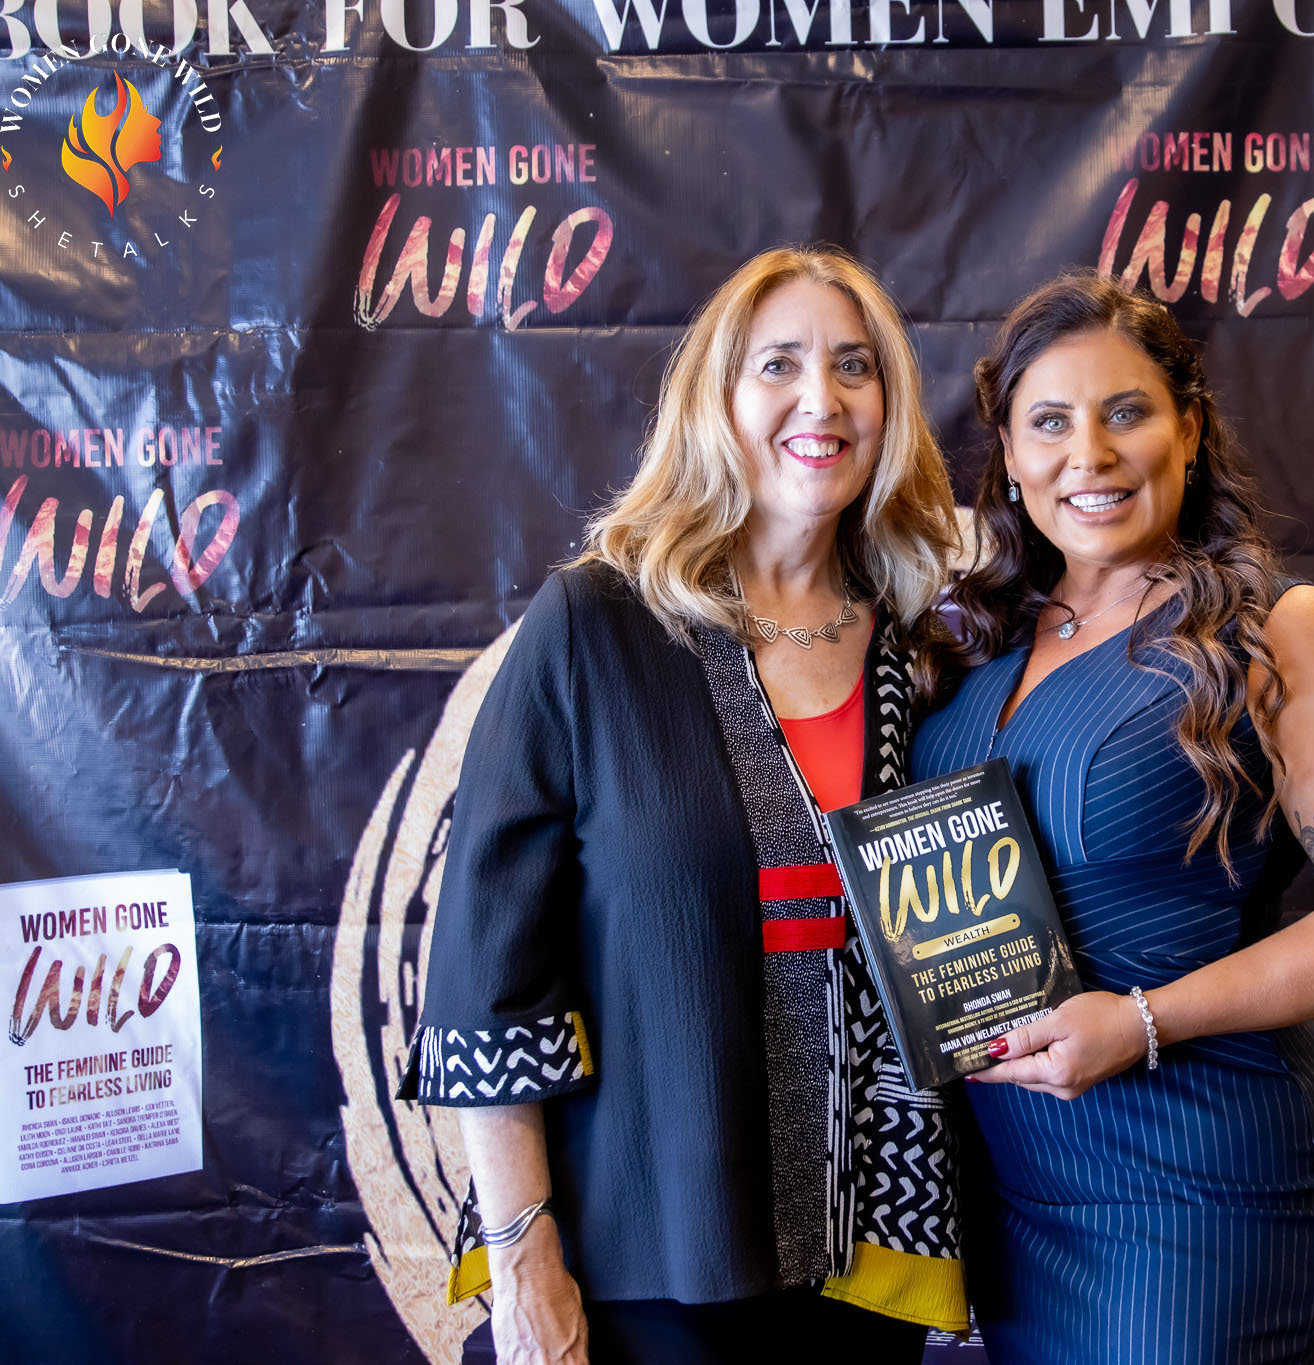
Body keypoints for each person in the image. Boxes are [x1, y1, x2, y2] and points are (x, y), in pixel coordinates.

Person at [400, 247, 966, 1364]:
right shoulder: (595, 625)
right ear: (717, 398)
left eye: (855, 366)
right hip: (640, 1259)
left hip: (866, 1260)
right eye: (779, 364)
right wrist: (522, 1258)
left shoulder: (921, 644)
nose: (822, 398)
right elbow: (486, 977)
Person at [911, 272, 1314, 1364]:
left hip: (1193, 1178)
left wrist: (1141, 1021)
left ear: (1189, 431)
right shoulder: (974, 640)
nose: (1089, 455)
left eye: (1126, 413)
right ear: (1007, 453)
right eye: (1049, 423)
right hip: (1016, 1191)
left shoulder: (1283, 633)